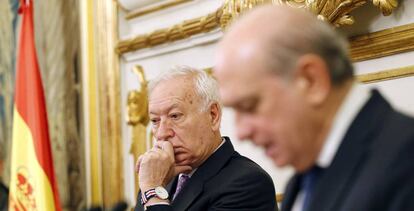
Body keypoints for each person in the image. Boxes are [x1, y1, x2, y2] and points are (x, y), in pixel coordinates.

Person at [214, 5, 414, 211]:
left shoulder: (406, 160)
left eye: (249, 106)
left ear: (311, 80)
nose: (241, 132)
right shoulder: (304, 177)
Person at [134, 66, 277, 211]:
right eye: (155, 120)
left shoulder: (248, 183)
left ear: (213, 116)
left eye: (175, 116)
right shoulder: (160, 178)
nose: (161, 133)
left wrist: (153, 193)